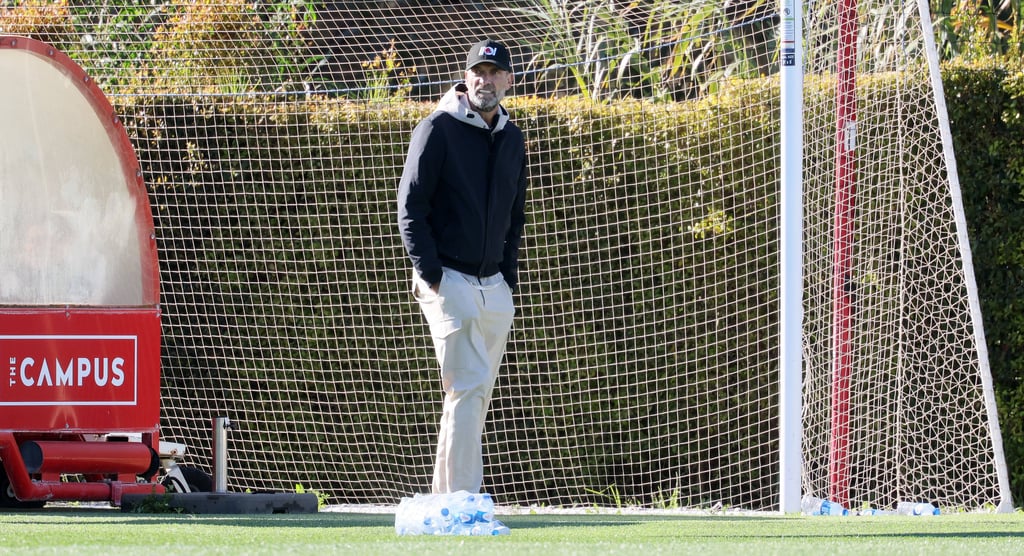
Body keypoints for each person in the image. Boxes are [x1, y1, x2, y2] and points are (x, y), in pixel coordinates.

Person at [397, 38, 528, 494]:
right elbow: (410, 208)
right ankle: (466, 501)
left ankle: (445, 501)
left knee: (472, 396)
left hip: (494, 288)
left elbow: (516, 214)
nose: (484, 80)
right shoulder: (436, 128)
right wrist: (432, 275)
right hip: (447, 281)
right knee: (468, 386)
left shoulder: (513, 137)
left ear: (508, 80)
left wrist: (507, 278)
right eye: (478, 72)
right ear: (466, 76)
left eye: (493, 73)